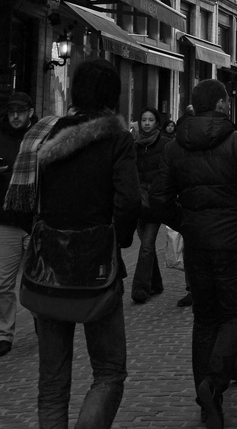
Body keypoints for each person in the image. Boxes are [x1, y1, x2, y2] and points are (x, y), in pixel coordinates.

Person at [5, 59, 141, 429]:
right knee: (109, 372)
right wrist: (119, 238)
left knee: (52, 382)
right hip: (97, 263)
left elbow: (25, 200)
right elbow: (129, 201)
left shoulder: (42, 133)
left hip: (47, 263)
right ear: (112, 96)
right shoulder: (116, 137)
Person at [150, 79, 237, 429]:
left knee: (205, 318)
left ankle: (206, 401)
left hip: (198, 246)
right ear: (223, 105)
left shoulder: (174, 147)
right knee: (234, 314)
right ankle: (213, 384)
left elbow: (158, 200)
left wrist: (188, 223)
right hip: (233, 244)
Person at [0, 91, 36, 357]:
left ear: (29, 112)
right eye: (12, 111)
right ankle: (4, 333)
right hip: (6, 220)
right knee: (3, 283)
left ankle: (44, 325)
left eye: (20, 111)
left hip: (35, 219)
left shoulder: (39, 139)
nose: (15, 116)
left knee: (38, 279)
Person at [131, 106, 169, 304]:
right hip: (138, 203)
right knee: (148, 248)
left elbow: (166, 173)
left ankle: (140, 289)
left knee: (146, 246)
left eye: (150, 120)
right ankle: (156, 283)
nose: (146, 123)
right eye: (143, 120)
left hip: (154, 203)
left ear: (157, 123)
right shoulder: (134, 146)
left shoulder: (165, 145)